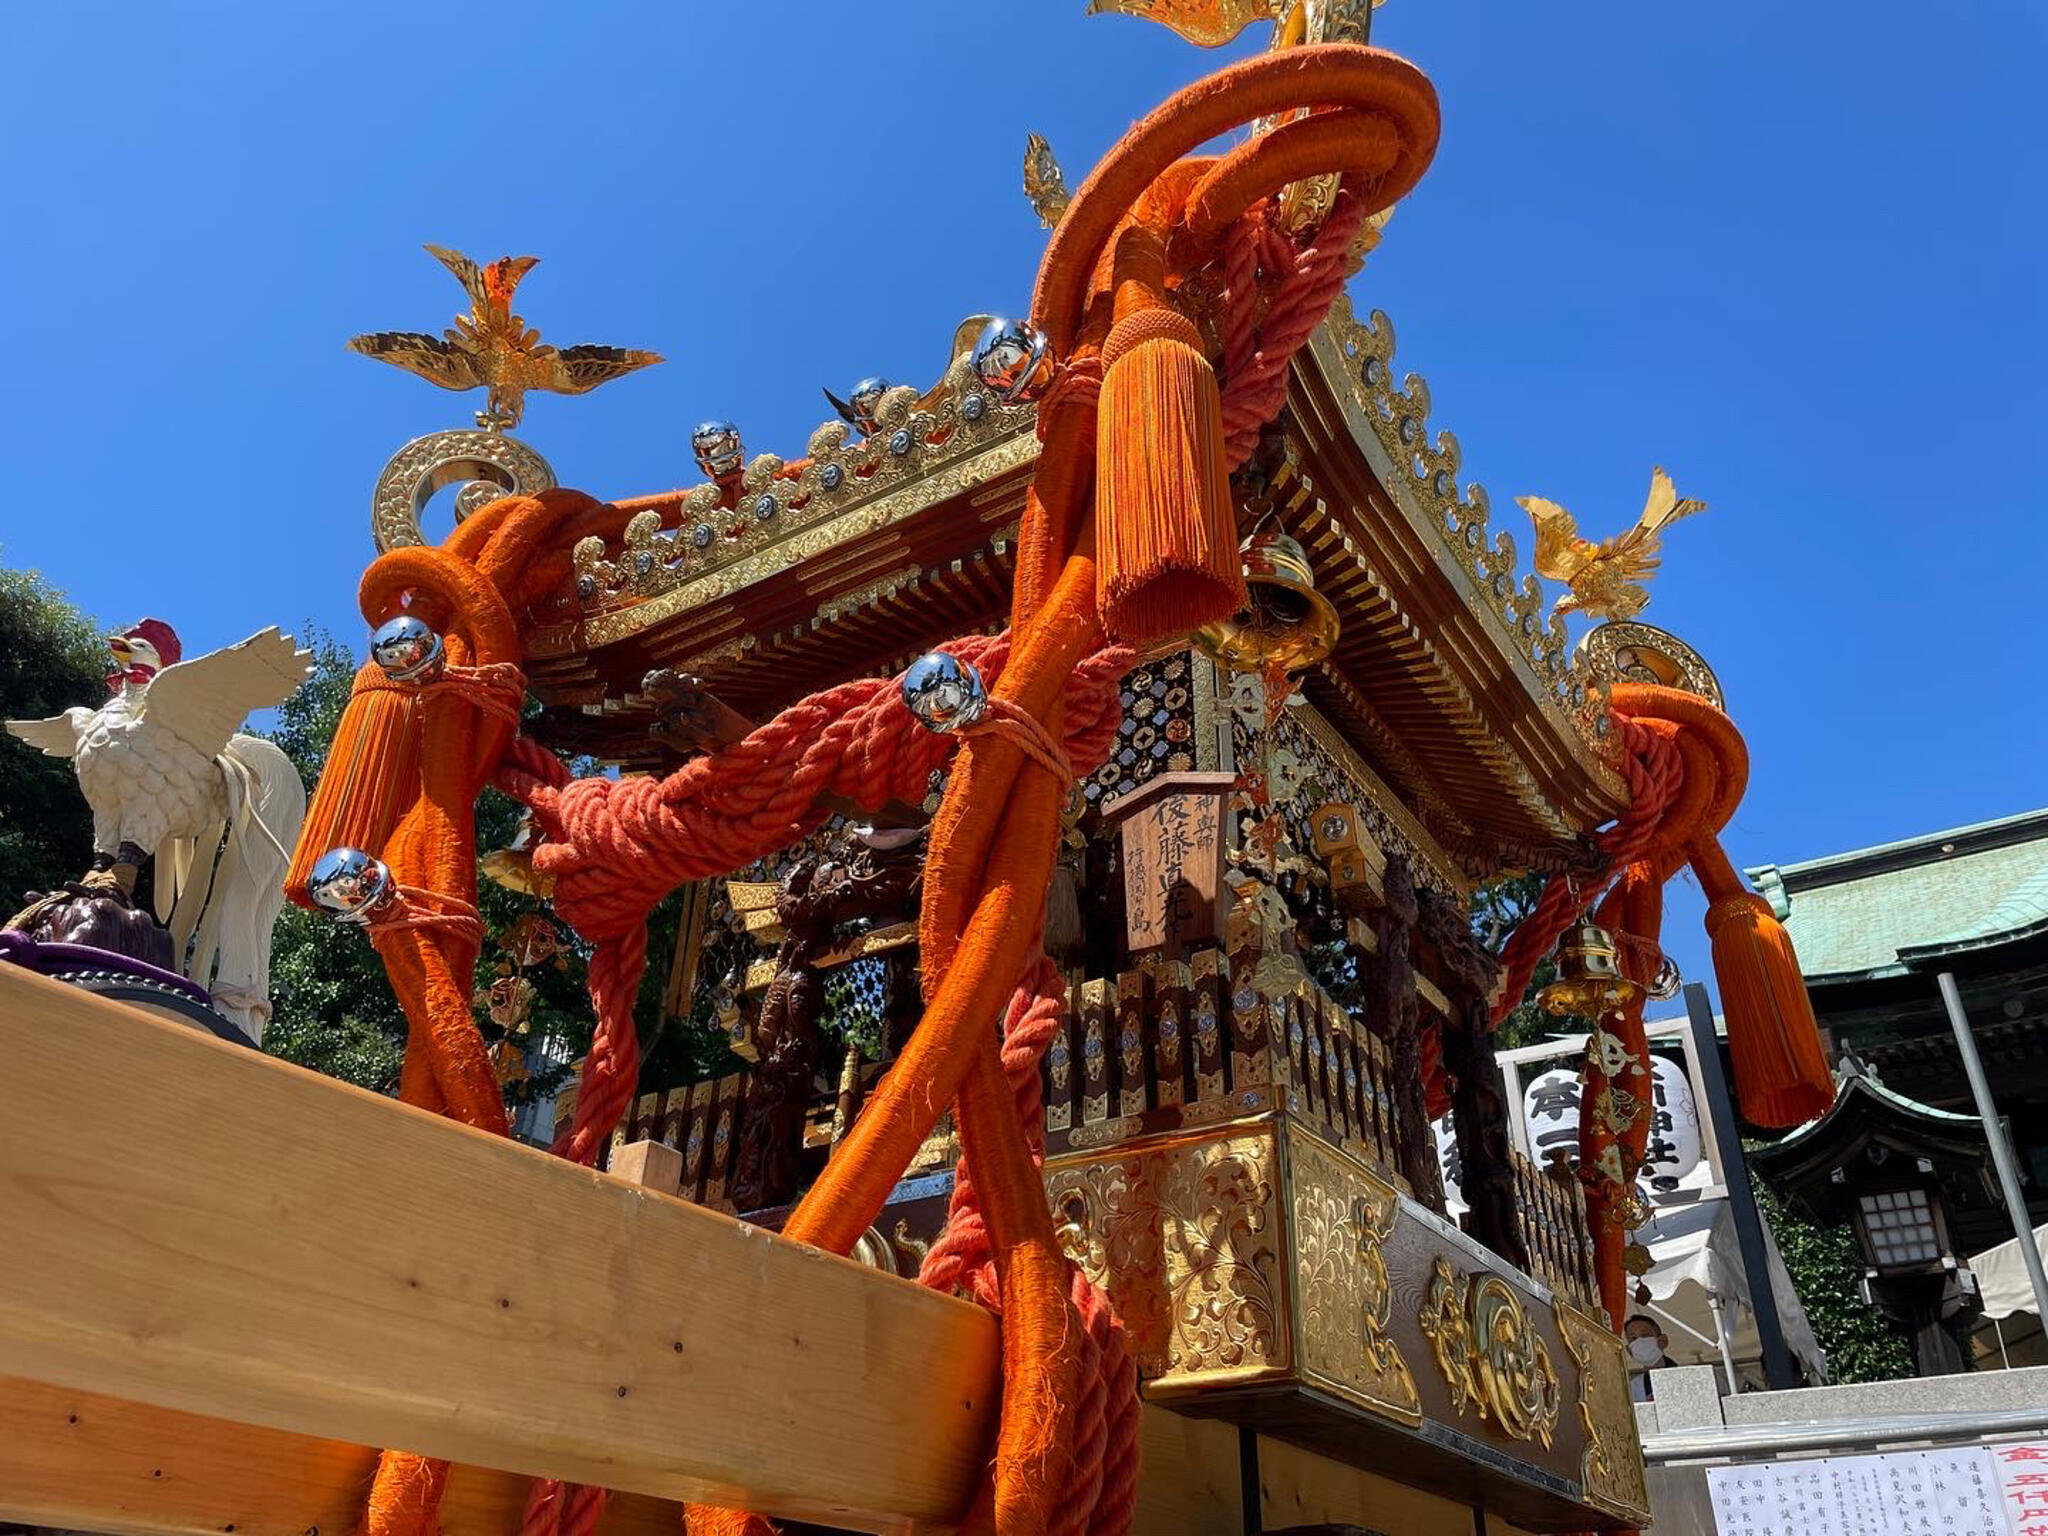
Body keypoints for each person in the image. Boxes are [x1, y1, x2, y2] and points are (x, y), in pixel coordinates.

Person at [1624, 1314, 1675, 1402]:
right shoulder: (1633, 1389)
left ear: (1663, 1341)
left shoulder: (1686, 1376)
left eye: (1645, 1335)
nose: (1639, 1341)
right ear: (1629, 1351)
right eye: (1633, 1338)